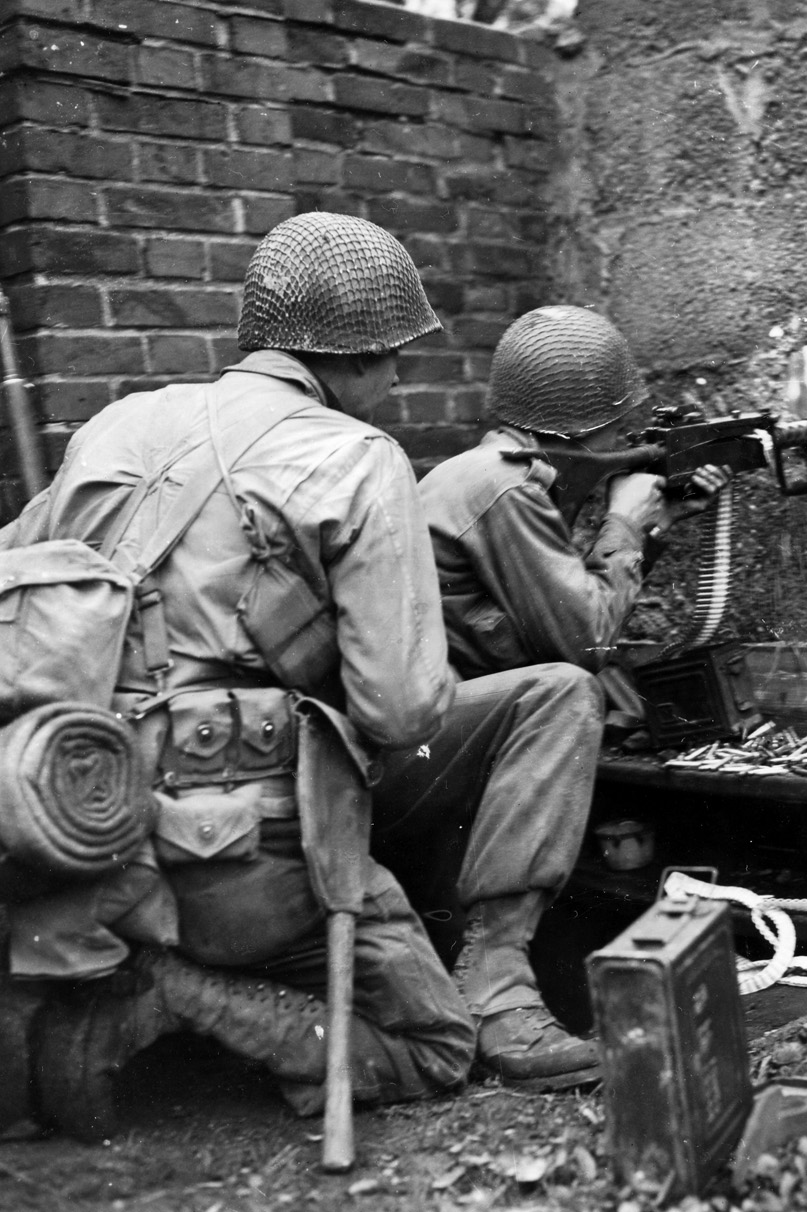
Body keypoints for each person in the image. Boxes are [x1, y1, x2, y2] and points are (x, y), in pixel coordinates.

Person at [0, 212, 475, 1140]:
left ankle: (96, 991)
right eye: (396, 358)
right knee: (434, 1048)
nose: (395, 381)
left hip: (74, 828)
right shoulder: (356, 457)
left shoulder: (116, 426)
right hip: (236, 863)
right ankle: (166, 996)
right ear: (358, 352)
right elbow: (402, 706)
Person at [372, 305, 727, 1092]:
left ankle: (496, 965)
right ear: (583, 431)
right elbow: (583, 643)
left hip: (425, 741)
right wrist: (625, 524)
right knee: (571, 693)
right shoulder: (504, 491)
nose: (631, 443)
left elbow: (546, 612)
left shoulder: (498, 478)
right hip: (403, 760)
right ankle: (496, 992)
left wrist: (655, 525)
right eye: (621, 431)